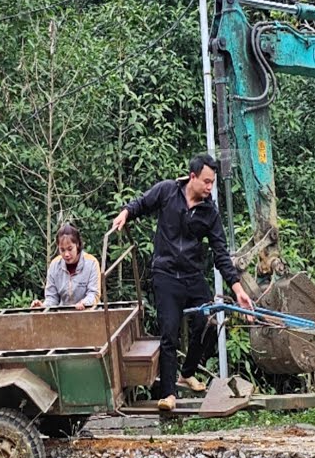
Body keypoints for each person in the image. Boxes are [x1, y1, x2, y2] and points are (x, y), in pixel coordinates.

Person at [109, 153, 254, 411]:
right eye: (206, 182)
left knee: (208, 322)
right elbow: (141, 203)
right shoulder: (167, 192)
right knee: (169, 333)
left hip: (192, 276)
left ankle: (187, 372)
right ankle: (169, 394)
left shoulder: (210, 212)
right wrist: (125, 214)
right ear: (193, 177)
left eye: (213, 183)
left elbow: (220, 254)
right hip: (165, 275)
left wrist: (238, 289)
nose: (210, 188)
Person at [31, 224, 101, 310]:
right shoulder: (54, 265)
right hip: (64, 317)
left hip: (90, 315)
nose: (66, 254)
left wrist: (84, 303)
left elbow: (94, 294)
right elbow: (52, 298)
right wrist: (42, 307)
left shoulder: (92, 263)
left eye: (70, 249)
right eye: (62, 250)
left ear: (78, 245)